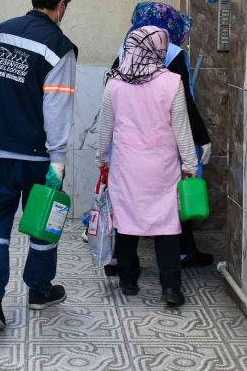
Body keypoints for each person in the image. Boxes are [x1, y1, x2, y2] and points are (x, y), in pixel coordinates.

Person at [0, 0, 77, 330]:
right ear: (60, 7)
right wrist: (58, 159)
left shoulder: (0, 34)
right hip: (37, 154)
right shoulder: (59, 46)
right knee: (44, 220)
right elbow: (56, 106)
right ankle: (39, 290)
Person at [106, 2, 214, 270]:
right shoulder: (173, 52)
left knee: (126, 203)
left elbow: (110, 92)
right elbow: (184, 102)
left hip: (127, 144)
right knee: (173, 198)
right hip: (161, 144)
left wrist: (102, 151)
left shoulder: (126, 47)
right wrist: (201, 138)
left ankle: (123, 263)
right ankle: (182, 254)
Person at [98, 26, 199, 307]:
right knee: (166, 227)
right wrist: (190, 165)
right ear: (160, 49)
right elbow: (182, 129)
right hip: (162, 168)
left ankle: (129, 281)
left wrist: (102, 160)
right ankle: (171, 289)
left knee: (126, 223)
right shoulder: (172, 82)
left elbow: (104, 128)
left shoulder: (114, 82)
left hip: (126, 167)